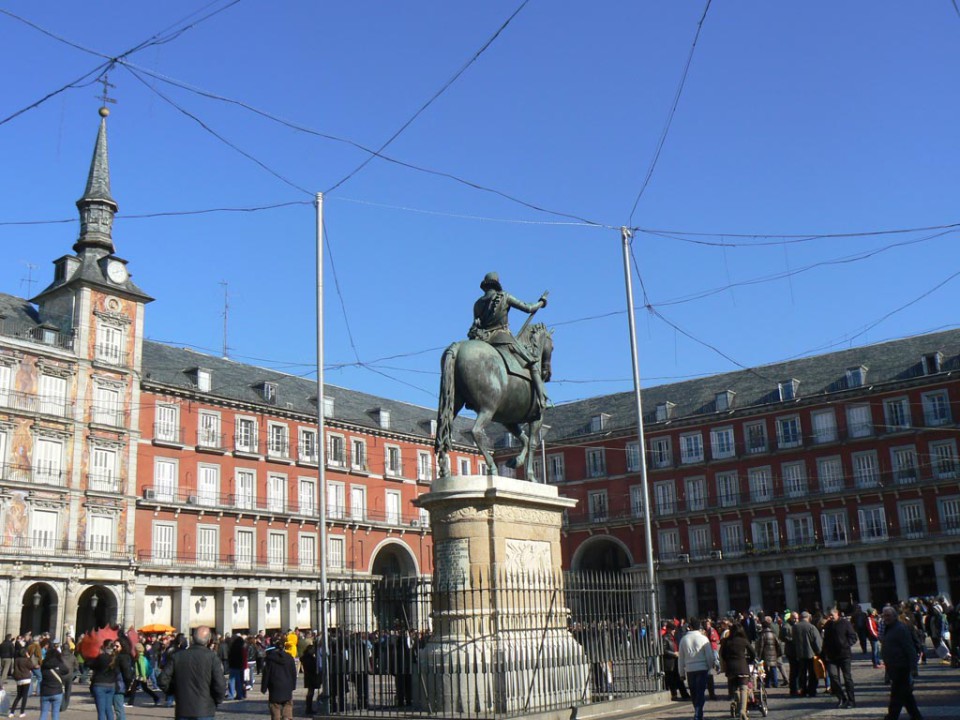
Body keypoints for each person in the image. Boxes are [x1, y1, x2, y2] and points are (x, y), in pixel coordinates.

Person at [468, 271, 550, 410]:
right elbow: (528, 308)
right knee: (532, 362)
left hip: (483, 340)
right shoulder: (505, 296)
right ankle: (542, 399)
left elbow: (477, 324)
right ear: (497, 284)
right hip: (502, 338)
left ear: (485, 286)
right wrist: (541, 303)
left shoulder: (477, 304)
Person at [158, 626, 226, 720]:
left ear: (192, 638)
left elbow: (162, 680)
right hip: (205, 709)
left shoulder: (178, 656)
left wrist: (174, 692)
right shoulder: (212, 657)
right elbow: (220, 684)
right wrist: (217, 699)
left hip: (184, 708)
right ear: (208, 640)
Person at [881, 606, 923, 720]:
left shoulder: (900, 628)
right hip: (893, 667)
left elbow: (909, 648)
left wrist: (914, 667)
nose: (886, 618)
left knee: (896, 697)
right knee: (907, 697)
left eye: (888, 615)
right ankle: (916, 717)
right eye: (884, 615)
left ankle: (891, 717)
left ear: (895, 616)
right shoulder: (888, 628)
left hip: (901, 667)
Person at [677, 617, 715, 720]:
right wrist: (710, 666)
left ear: (690, 627)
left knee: (694, 693)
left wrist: (681, 673)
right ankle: (698, 713)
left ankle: (697, 712)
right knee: (700, 692)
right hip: (702, 668)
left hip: (690, 670)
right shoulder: (703, 639)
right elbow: (709, 656)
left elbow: (681, 658)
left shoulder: (684, 639)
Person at [822, 606, 858, 708]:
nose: (830, 617)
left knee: (847, 678)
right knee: (833, 677)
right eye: (829, 616)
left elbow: (853, 637)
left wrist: (846, 645)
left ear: (837, 614)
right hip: (831, 656)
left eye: (832, 615)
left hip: (844, 655)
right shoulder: (828, 625)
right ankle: (842, 698)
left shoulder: (845, 623)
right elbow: (825, 640)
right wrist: (824, 652)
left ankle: (851, 700)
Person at [719, 623, 755, 720]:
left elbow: (722, 655)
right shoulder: (743, 640)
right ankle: (742, 711)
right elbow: (753, 653)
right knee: (744, 688)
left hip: (731, 668)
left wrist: (728, 661)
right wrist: (749, 660)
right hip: (742, 666)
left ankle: (739, 706)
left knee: (735, 689)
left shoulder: (727, 641)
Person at [261, 635, 297, 720]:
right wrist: (293, 686)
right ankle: (287, 718)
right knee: (288, 704)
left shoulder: (269, 659)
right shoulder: (289, 658)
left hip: (274, 685)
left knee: (275, 706)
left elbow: (266, 674)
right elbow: (293, 673)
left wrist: (264, 688)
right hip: (287, 685)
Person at [86, 639, 119, 720]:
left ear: (104, 647)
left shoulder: (101, 657)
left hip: (100, 684)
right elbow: (117, 672)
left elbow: (90, 664)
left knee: (101, 711)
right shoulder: (115, 658)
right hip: (111, 684)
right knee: (109, 709)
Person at [793, 610, 822, 697]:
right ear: (808, 617)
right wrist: (819, 652)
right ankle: (812, 690)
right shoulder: (811, 627)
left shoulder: (795, 627)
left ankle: (803, 690)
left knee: (802, 673)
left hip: (799, 654)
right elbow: (817, 641)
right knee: (812, 673)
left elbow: (793, 640)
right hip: (811, 654)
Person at [38, 645, 69, 720]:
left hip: (45, 691)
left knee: (43, 713)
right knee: (55, 713)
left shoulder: (44, 666)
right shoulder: (59, 664)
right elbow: (66, 670)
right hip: (57, 691)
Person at [755, 617, 781, 689]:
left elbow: (761, 646)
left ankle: (768, 683)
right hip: (773, 653)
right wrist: (778, 653)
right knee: (773, 668)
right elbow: (778, 644)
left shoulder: (762, 635)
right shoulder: (773, 634)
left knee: (766, 669)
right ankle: (775, 683)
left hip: (765, 654)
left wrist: (759, 655)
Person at [10, 646, 36, 718]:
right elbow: (32, 666)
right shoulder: (26, 660)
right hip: (26, 678)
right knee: (24, 696)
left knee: (18, 696)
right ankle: (22, 712)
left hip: (19, 678)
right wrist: (28, 658)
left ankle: (12, 712)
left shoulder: (17, 660)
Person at [226, 635, 247, 701]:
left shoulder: (232, 648)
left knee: (232, 681)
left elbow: (229, 657)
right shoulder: (242, 649)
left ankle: (231, 695)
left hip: (233, 666)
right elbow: (244, 658)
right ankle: (239, 695)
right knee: (239, 681)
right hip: (240, 666)